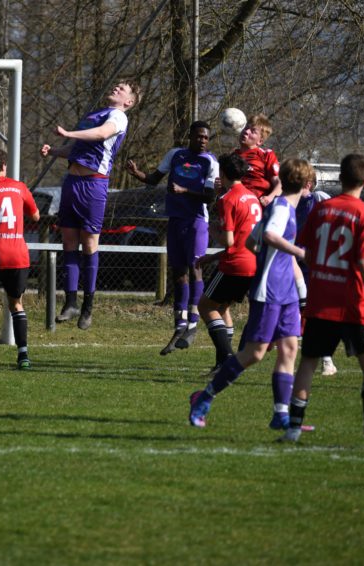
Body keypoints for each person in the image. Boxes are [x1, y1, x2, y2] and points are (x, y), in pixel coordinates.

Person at [280, 154, 364, 447]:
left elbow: (305, 251)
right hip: (353, 302)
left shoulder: (321, 209)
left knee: (308, 363)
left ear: (341, 178)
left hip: (321, 299)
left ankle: (293, 428)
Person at [188, 158, 309, 431]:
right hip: (271, 289)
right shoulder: (281, 208)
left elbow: (253, 241)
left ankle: (281, 414)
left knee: (290, 349)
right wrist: (299, 253)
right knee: (254, 353)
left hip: (287, 291)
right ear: (304, 184)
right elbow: (268, 236)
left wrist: (279, 262)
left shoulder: (284, 208)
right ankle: (203, 398)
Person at [40, 80, 142, 330]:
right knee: (68, 242)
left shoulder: (118, 116)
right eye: (116, 86)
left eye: (122, 89)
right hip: (72, 183)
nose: (116, 88)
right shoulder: (95, 114)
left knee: (89, 243)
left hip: (94, 184)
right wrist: (54, 151)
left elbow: (102, 134)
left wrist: (68, 133)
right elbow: (77, 149)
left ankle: (88, 307)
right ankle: (70, 302)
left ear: (129, 101)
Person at [125, 121, 218, 354]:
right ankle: (180, 323)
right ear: (190, 136)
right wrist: (137, 173)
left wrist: (185, 191)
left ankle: (194, 322)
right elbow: (154, 179)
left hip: (196, 220)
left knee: (195, 268)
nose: (202, 141)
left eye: (206, 138)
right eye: (199, 136)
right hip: (175, 219)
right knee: (178, 273)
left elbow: (209, 197)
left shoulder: (210, 162)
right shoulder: (175, 155)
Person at [0, 148, 40, 370]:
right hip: (17, 255)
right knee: (16, 304)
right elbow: (35, 216)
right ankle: (23, 356)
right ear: (4, 166)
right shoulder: (19, 187)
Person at [195, 153, 261, 371]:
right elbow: (242, 239)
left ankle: (227, 358)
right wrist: (212, 257)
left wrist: (213, 230)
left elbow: (229, 240)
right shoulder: (252, 197)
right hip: (253, 262)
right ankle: (221, 363)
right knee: (222, 308)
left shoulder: (228, 199)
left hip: (234, 265)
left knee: (205, 306)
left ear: (222, 173)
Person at [295, 170, 338, 376]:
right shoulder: (288, 201)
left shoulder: (319, 199)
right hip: (293, 262)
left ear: (309, 184)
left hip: (311, 264)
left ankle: (327, 360)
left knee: (314, 312)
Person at [234, 113, 281, 208]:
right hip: (235, 206)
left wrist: (270, 198)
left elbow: (279, 183)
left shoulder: (266, 155)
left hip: (256, 208)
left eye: (253, 131)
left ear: (260, 141)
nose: (246, 131)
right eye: (246, 128)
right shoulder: (232, 156)